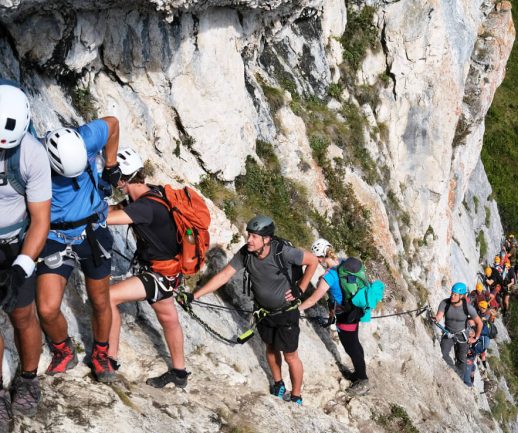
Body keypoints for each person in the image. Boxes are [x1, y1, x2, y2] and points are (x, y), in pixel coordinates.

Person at [180, 216, 319, 404]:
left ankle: (296, 396)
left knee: (290, 355)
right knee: (270, 348)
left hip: (286, 312)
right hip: (262, 311)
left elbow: (313, 261)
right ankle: (278, 384)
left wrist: (300, 288)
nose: (249, 240)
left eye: (254, 236)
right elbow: (224, 275)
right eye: (249, 235)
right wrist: (194, 296)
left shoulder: (283, 253)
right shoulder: (246, 253)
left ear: (266, 239)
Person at [37, 117, 121, 383]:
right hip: (54, 235)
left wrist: (111, 164)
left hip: (91, 231)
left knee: (100, 300)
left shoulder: (86, 138)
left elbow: (113, 124)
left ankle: (100, 354)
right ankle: (64, 349)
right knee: (47, 308)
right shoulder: (34, 157)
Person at [106, 148, 189, 388]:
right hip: (169, 272)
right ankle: (180, 373)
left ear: (122, 179)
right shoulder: (151, 193)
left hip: (158, 274)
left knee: (109, 297)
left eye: (115, 177)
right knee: (169, 319)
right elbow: (116, 209)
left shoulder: (144, 207)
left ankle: (109, 359)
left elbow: (107, 219)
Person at [0, 83, 51, 433]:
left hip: (17, 244)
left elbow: (41, 220)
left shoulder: (32, 155)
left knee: (22, 315)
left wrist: (21, 267)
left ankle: (29, 379)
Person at [298, 238, 370, 395]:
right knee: (355, 343)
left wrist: (297, 309)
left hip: (345, 316)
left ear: (321, 257)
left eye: (317, 259)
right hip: (355, 310)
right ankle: (359, 373)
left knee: (351, 347)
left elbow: (313, 299)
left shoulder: (329, 276)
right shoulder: (343, 263)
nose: (317, 262)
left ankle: (363, 379)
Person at [433, 282, 482, 387]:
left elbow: (479, 323)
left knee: (461, 360)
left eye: (455, 294)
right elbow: (439, 316)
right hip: (449, 333)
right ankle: (454, 373)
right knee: (443, 353)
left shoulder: (467, 308)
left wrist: (476, 338)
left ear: (462, 296)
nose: (452, 296)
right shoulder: (445, 303)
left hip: (462, 335)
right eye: (452, 293)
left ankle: (459, 379)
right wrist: (436, 318)